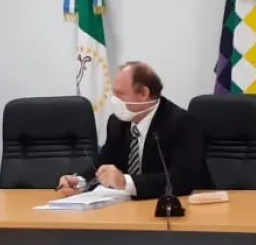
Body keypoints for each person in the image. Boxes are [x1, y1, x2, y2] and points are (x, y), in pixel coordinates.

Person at [57, 61, 210, 199]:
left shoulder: (183, 123)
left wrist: (126, 182)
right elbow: (102, 163)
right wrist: (80, 181)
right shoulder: (117, 123)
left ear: (143, 93)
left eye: (120, 94)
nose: (114, 100)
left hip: (185, 207)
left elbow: (182, 180)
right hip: (132, 208)